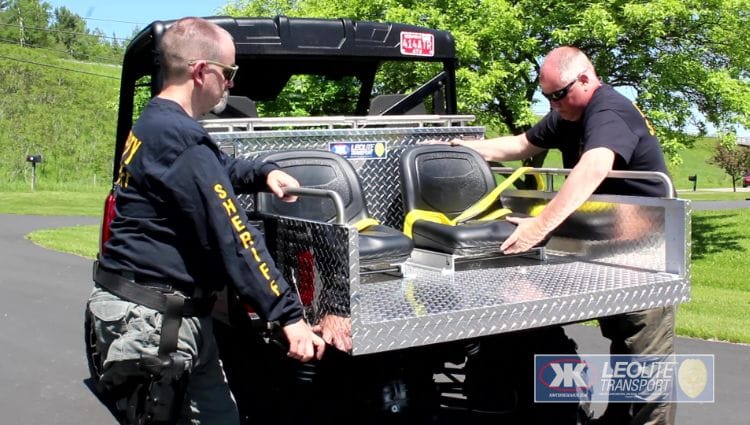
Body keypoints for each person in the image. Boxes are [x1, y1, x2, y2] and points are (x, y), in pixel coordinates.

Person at [86, 17, 325, 424]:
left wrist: (262, 173)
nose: (231, 83)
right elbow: (236, 237)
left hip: (164, 313)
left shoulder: (157, 122)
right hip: (155, 323)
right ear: (202, 72)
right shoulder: (180, 138)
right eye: (229, 73)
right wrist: (288, 315)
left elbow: (213, 169)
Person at [446, 46, 675, 425]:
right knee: (623, 348)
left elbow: (595, 166)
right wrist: (463, 149)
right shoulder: (567, 113)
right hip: (607, 247)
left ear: (585, 79)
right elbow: (520, 145)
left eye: (559, 94)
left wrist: (540, 226)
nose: (553, 104)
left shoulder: (608, 110)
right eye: (547, 97)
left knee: (644, 363)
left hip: (645, 254)